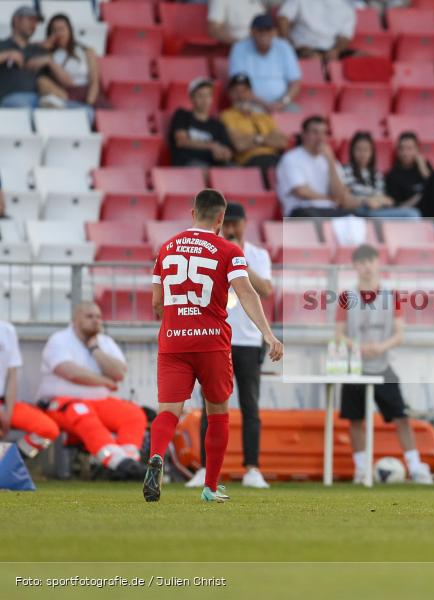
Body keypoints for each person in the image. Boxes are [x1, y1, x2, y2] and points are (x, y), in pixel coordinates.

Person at [144, 190, 284, 504]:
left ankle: (156, 456)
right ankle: (209, 487)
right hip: (212, 341)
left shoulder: (166, 249)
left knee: (169, 412)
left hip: (173, 340)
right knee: (218, 412)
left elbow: (156, 304)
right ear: (220, 219)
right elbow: (247, 294)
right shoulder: (228, 249)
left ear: (193, 212)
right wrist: (269, 335)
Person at [185, 202, 274, 490]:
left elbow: (266, 290)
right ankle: (205, 467)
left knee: (250, 405)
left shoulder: (257, 255)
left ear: (246, 224)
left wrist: (239, 261)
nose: (233, 229)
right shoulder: (210, 252)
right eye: (229, 223)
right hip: (215, 336)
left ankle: (252, 468)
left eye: (237, 223)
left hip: (247, 340)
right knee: (210, 404)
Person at [335, 244, 433, 484]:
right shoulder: (347, 297)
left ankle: (415, 466)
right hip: (355, 367)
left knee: (400, 417)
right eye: (361, 262)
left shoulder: (391, 296)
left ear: (377, 263)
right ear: (355, 266)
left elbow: (400, 334)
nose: (367, 267)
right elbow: (338, 335)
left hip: (382, 365)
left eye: (370, 261)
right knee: (355, 419)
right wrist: (356, 346)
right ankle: (361, 469)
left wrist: (381, 347)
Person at [36, 302, 146, 480]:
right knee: (82, 413)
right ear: (75, 319)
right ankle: (118, 463)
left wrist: (94, 349)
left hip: (99, 401)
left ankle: (128, 462)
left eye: (98, 317)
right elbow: (70, 372)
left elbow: (119, 372)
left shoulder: (104, 342)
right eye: (89, 316)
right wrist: (104, 381)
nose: (95, 321)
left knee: (133, 414)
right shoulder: (59, 339)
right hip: (63, 402)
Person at [0, 320, 60, 460]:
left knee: (48, 429)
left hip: (5, 403)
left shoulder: (7, 330)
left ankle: (10, 461)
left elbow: (12, 376)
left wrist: (8, 414)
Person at [276, 115, 351, 217]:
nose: (320, 138)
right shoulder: (291, 158)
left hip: (329, 210)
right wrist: (330, 199)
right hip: (301, 210)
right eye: (315, 132)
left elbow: (340, 194)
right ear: (303, 134)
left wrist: (330, 162)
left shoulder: (331, 160)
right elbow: (302, 192)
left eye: (323, 133)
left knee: (354, 218)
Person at [219, 72, 288, 182]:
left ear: (251, 93)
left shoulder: (263, 116)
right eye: (236, 91)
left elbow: (282, 142)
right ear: (229, 94)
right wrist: (267, 138)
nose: (240, 95)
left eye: (244, 91)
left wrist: (253, 139)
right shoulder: (226, 116)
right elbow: (240, 145)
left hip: (275, 158)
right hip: (250, 161)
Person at [0, 5, 71, 108]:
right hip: (11, 99)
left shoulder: (39, 50)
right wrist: (6, 55)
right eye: (30, 19)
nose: (34, 24)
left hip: (41, 98)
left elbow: (69, 82)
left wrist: (49, 62)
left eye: (36, 21)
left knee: (84, 110)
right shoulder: (2, 45)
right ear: (16, 20)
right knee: (24, 105)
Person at [228, 14, 301, 113]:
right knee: (252, 114)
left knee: (296, 113)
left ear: (274, 32)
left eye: (268, 30)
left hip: (281, 102)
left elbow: (295, 82)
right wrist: (266, 104)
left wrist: (284, 102)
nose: (264, 34)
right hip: (251, 102)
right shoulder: (240, 48)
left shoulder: (284, 47)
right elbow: (239, 86)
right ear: (252, 32)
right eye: (260, 30)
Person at [343, 131, 421, 218]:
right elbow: (345, 198)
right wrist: (366, 201)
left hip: (378, 209)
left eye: (366, 150)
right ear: (352, 151)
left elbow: (386, 198)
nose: (362, 154)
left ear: (372, 153)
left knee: (412, 213)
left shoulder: (376, 174)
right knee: (411, 214)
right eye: (358, 149)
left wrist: (379, 201)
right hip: (359, 209)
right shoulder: (345, 171)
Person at [168, 77, 233, 168]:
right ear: (191, 98)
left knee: (234, 169)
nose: (205, 100)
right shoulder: (182, 115)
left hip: (213, 165)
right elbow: (181, 141)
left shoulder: (218, 125)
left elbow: (226, 150)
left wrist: (223, 154)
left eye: (208, 95)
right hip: (188, 165)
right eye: (200, 95)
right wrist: (211, 145)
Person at [385, 132, 434, 218]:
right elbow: (396, 207)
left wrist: (423, 168)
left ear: (417, 150)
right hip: (415, 210)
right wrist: (417, 199)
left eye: (409, 149)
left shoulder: (424, 166)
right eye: (401, 149)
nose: (405, 153)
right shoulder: (392, 175)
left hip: (432, 207)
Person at [43, 13, 101, 106]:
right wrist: (44, 50)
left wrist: (89, 102)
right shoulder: (49, 55)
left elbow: (94, 82)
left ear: (70, 30)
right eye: (54, 30)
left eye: (62, 29)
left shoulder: (87, 51)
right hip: (64, 96)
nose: (59, 33)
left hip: (86, 94)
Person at [277, 0, 356, 60]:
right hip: (301, 47)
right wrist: (288, 45)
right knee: (313, 58)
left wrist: (336, 51)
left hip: (330, 49)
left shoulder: (347, 6)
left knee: (362, 57)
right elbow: (283, 18)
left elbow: (345, 37)